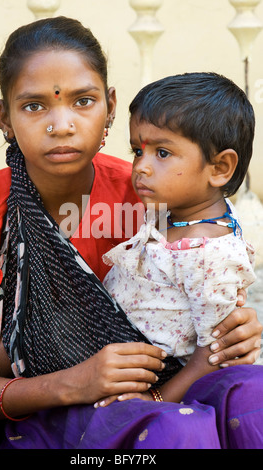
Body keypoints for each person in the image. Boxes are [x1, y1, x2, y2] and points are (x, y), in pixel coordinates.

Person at [0, 17, 261, 450]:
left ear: (111, 105)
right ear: (5, 118)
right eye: (34, 106)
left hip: (165, 392)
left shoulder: (151, 196)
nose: (61, 124)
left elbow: (200, 278)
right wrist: (71, 384)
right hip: (48, 422)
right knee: (178, 429)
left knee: (252, 392)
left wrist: (229, 331)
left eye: (83, 101)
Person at [100, 72, 257, 406]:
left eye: (162, 153)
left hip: (163, 382)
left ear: (220, 168)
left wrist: (155, 402)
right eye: (137, 151)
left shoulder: (210, 252)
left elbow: (213, 353)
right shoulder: (173, 213)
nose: (140, 166)